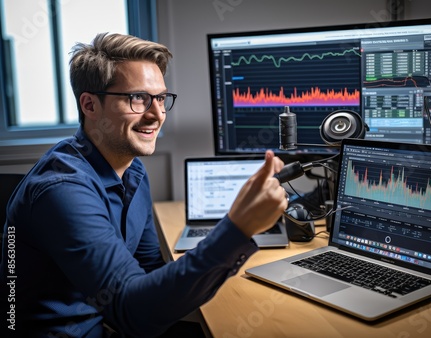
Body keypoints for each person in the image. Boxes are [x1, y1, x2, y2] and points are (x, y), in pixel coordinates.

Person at [0, 32, 287, 337]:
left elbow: (150, 273)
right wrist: (237, 228)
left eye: (161, 98)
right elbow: (134, 313)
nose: (157, 114)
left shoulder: (132, 171)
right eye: (138, 98)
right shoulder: (61, 189)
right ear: (89, 105)